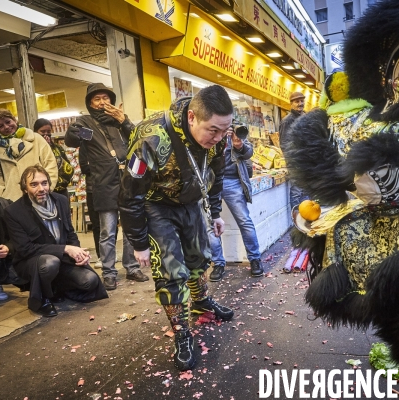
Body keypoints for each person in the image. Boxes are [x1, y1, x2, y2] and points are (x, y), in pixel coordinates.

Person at [119, 85, 235, 371]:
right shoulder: (150, 138)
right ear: (192, 117)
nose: (220, 138)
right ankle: (182, 332)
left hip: (192, 201)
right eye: (214, 131)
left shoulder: (219, 135)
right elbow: (129, 194)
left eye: (225, 130)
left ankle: (202, 303)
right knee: (171, 272)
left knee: (199, 258)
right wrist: (139, 242)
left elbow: (217, 173)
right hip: (156, 207)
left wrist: (216, 212)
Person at [64, 83, 147, 290]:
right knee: (108, 232)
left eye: (105, 98)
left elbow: (138, 139)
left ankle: (132, 267)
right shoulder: (85, 122)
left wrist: (124, 120)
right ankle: (109, 272)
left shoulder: (118, 121)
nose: (102, 102)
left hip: (127, 182)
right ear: (90, 103)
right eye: (97, 99)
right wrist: (73, 132)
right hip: (103, 183)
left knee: (130, 229)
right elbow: (72, 141)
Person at [3, 165, 108, 317]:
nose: (41, 188)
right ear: (25, 188)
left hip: (62, 259)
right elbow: (25, 249)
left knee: (90, 280)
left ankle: (57, 288)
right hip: (32, 262)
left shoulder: (61, 201)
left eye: (44, 183)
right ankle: (42, 298)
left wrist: (78, 253)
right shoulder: (14, 211)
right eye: (34, 184)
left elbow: (70, 232)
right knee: (50, 263)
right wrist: (65, 249)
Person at [208, 127, 264, 281]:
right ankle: (218, 263)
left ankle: (255, 259)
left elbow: (248, 153)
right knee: (210, 222)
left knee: (244, 220)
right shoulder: (209, 130)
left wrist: (239, 145)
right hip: (210, 181)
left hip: (232, 181)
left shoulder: (234, 131)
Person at [0, 109, 58, 201]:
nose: (6, 127)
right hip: (12, 200)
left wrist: (46, 188)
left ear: (14, 119)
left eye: (8, 122)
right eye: (1, 126)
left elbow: (50, 165)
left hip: (39, 195)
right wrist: (2, 194)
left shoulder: (36, 138)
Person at [279, 92, 308, 208]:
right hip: (296, 163)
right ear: (291, 104)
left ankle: (307, 218)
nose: (300, 104)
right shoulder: (287, 121)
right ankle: (296, 219)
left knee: (306, 191)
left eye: (302, 101)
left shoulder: (305, 117)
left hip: (307, 162)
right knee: (297, 192)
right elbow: (284, 144)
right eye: (297, 101)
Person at [33, 118, 74, 199]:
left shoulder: (58, 148)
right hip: (45, 192)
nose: (46, 134)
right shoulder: (33, 149)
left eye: (48, 132)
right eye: (42, 131)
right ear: (35, 132)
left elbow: (67, 167)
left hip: (62, 191)